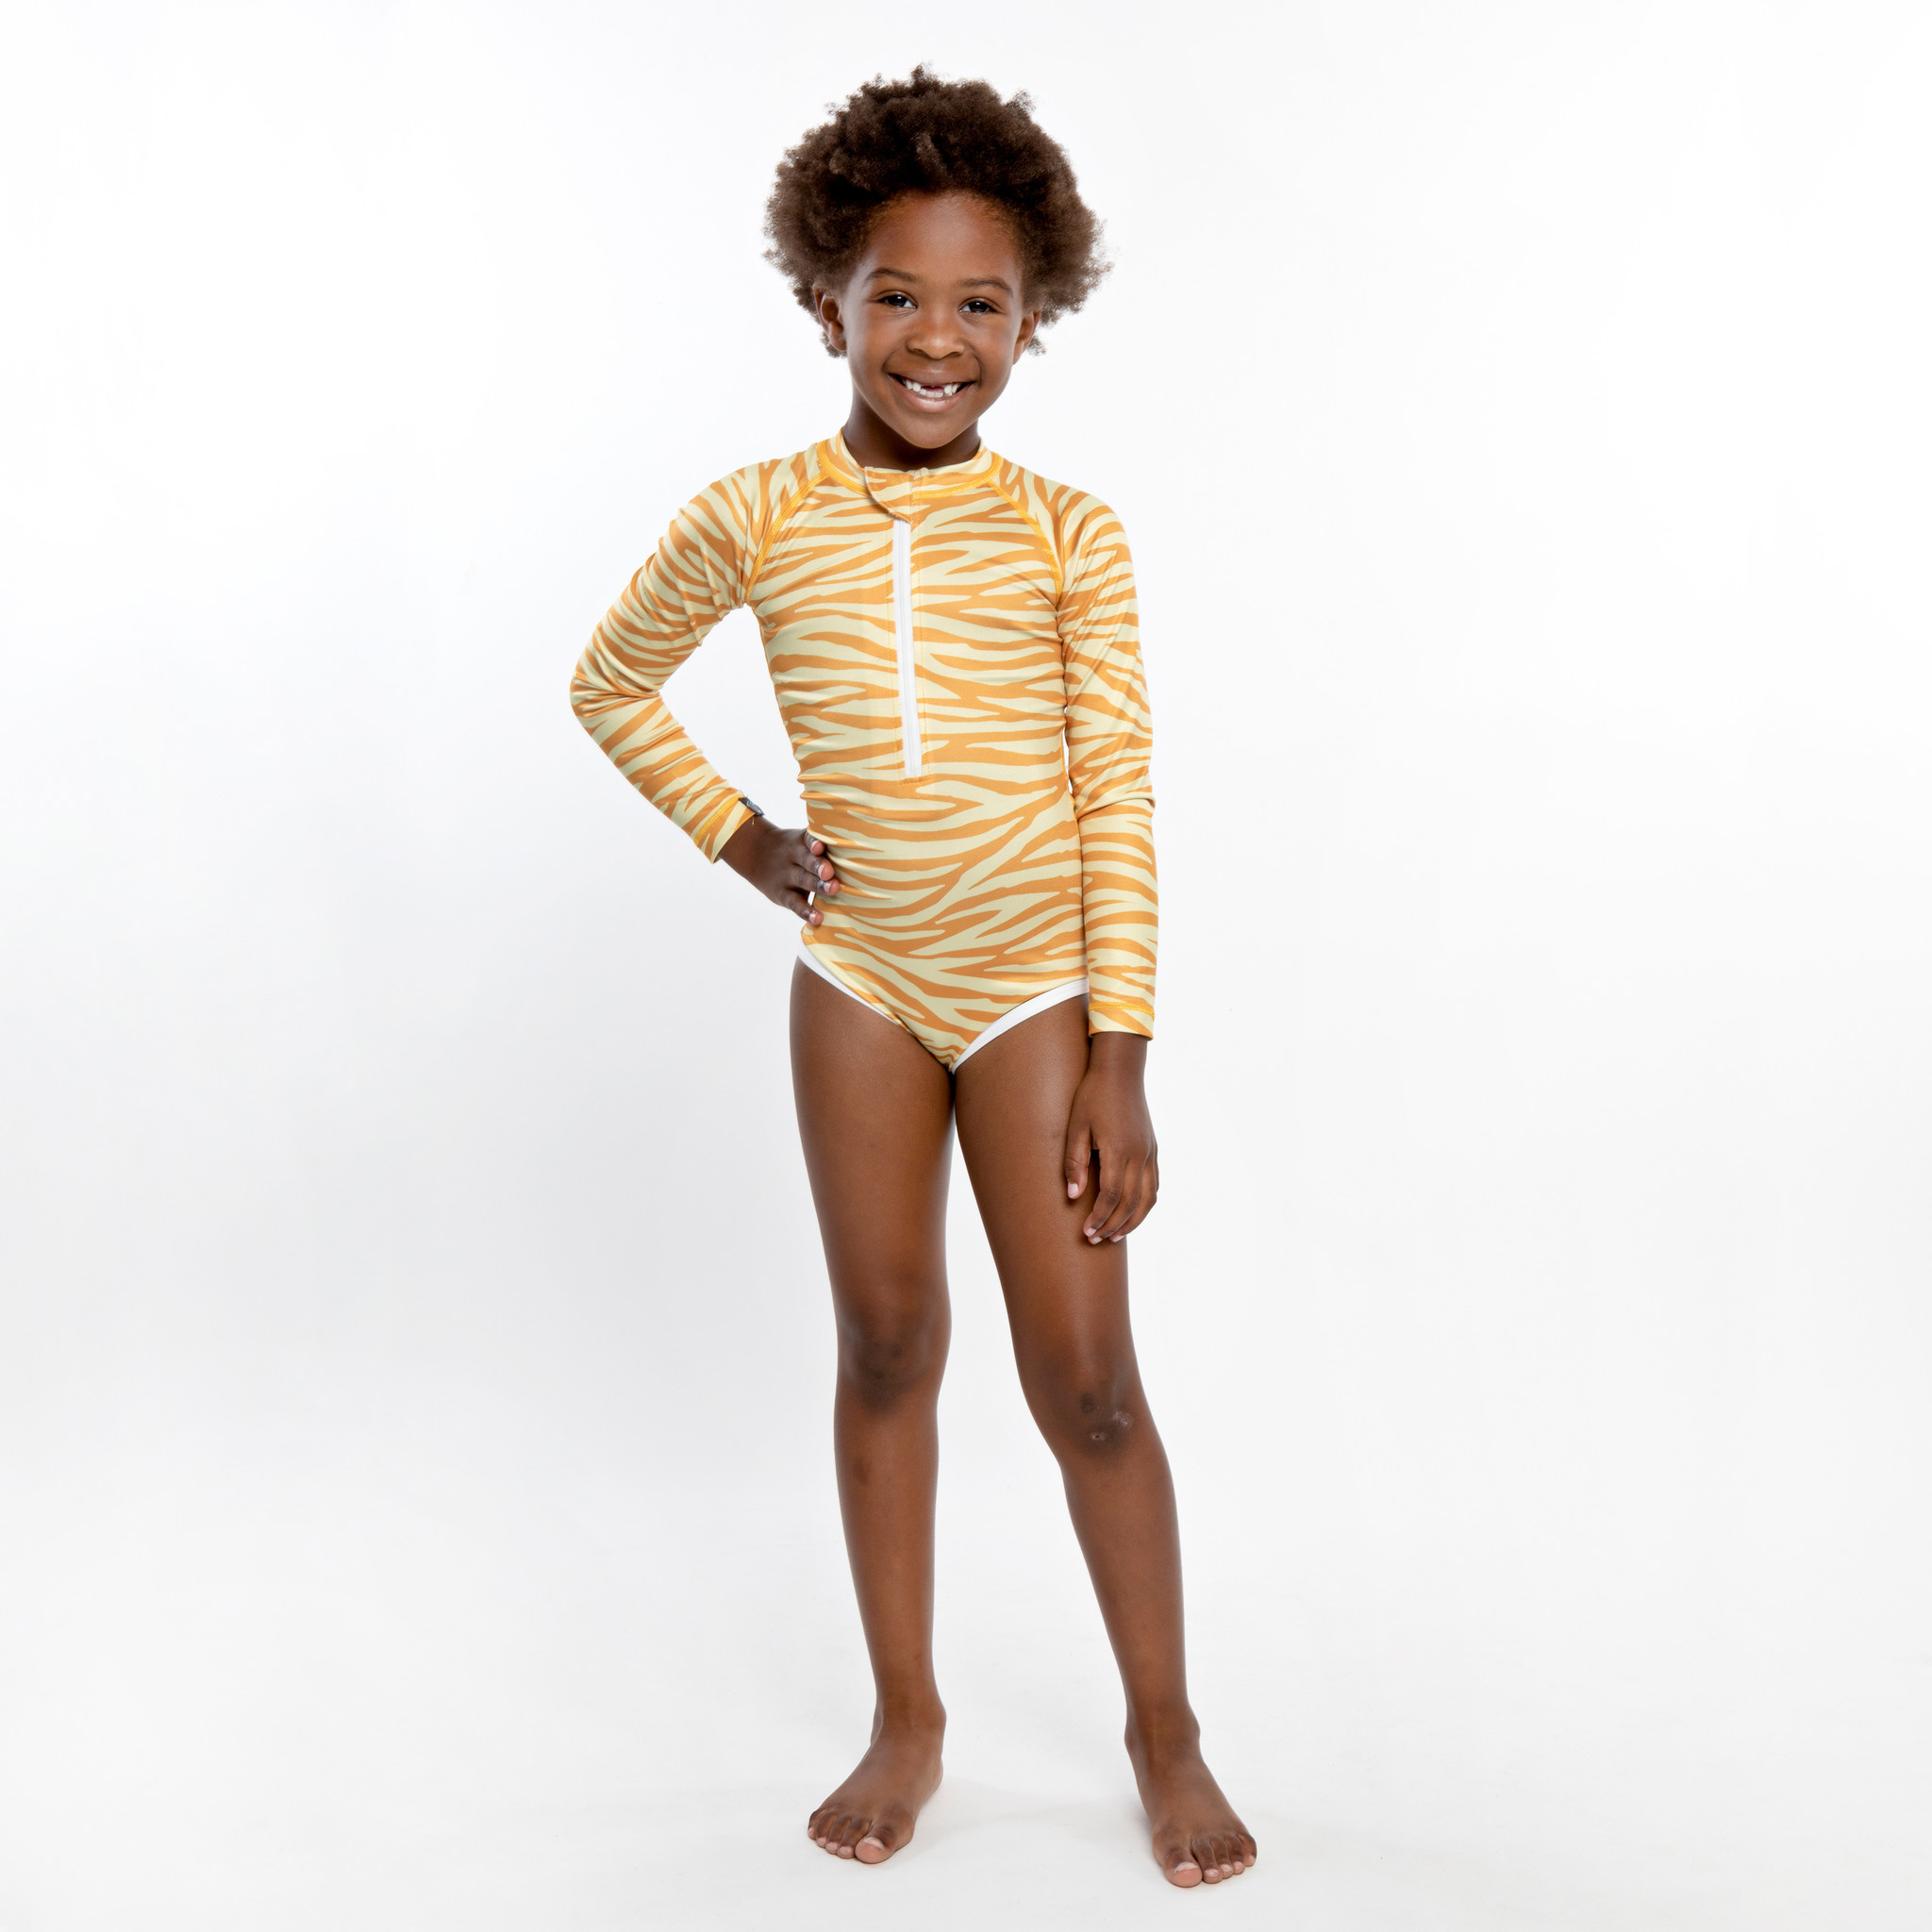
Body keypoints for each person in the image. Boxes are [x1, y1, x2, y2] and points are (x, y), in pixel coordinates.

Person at [570, 68, 1255, 1890]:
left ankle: (1166, 1731)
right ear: (828, 304)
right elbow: (609, 681)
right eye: (897, 296)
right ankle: (908, 1717)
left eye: (981, 305)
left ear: (1032, 322)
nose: (936, 340)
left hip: (1035, 987)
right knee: (887, 1344)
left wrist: (1121, 1054)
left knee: (1087, 1380)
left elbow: (1117, 788)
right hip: (863, 979)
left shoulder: (1068, 532)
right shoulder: (754, 514)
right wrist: (744, 840)